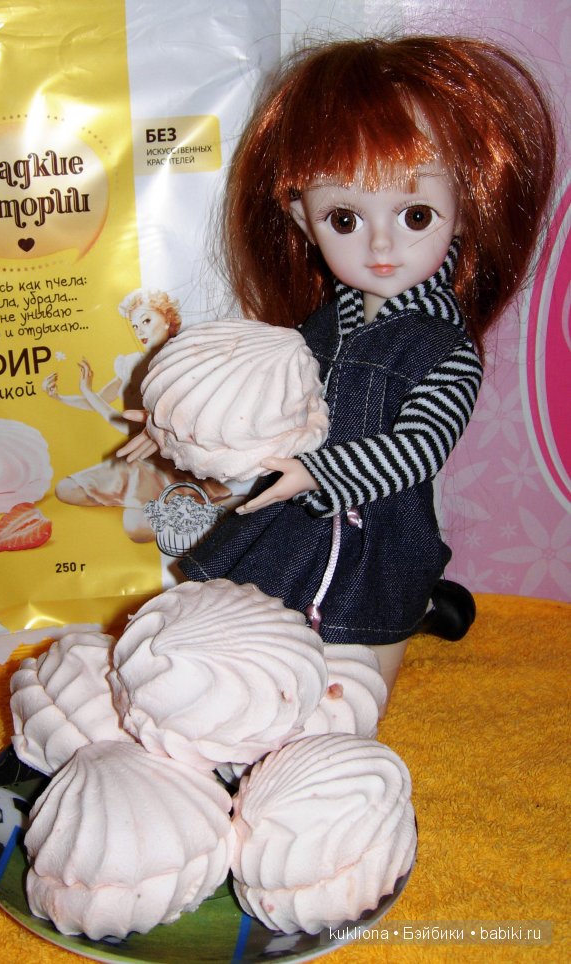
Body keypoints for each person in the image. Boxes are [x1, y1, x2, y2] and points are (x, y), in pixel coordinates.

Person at [120, 37, 556, 704]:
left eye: (415, 214)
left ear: (466, 207)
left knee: (356, 678)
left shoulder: (445, 350)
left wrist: (320, 473)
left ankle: (411, 611)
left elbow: (420, 447)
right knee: (262, 618)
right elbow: (257, 399)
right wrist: (178, 424)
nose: (381, 244)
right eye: (344, 218)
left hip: (380, 530)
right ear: (303, 219)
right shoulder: (319, 328)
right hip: (298, 517)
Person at [44, 289, 228, 541]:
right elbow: (100, 399)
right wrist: (60, 397)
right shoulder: (130, 362)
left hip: (172, 461)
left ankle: (185, 502)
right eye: (135, 326)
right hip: (137, 459)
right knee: (65, 489)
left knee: (137, 530)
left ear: (168, 319)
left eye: (146, 320)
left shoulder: (185, 360)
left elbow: (129, 426)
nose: (140, 330)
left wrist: (87, 392)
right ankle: (140, 498)